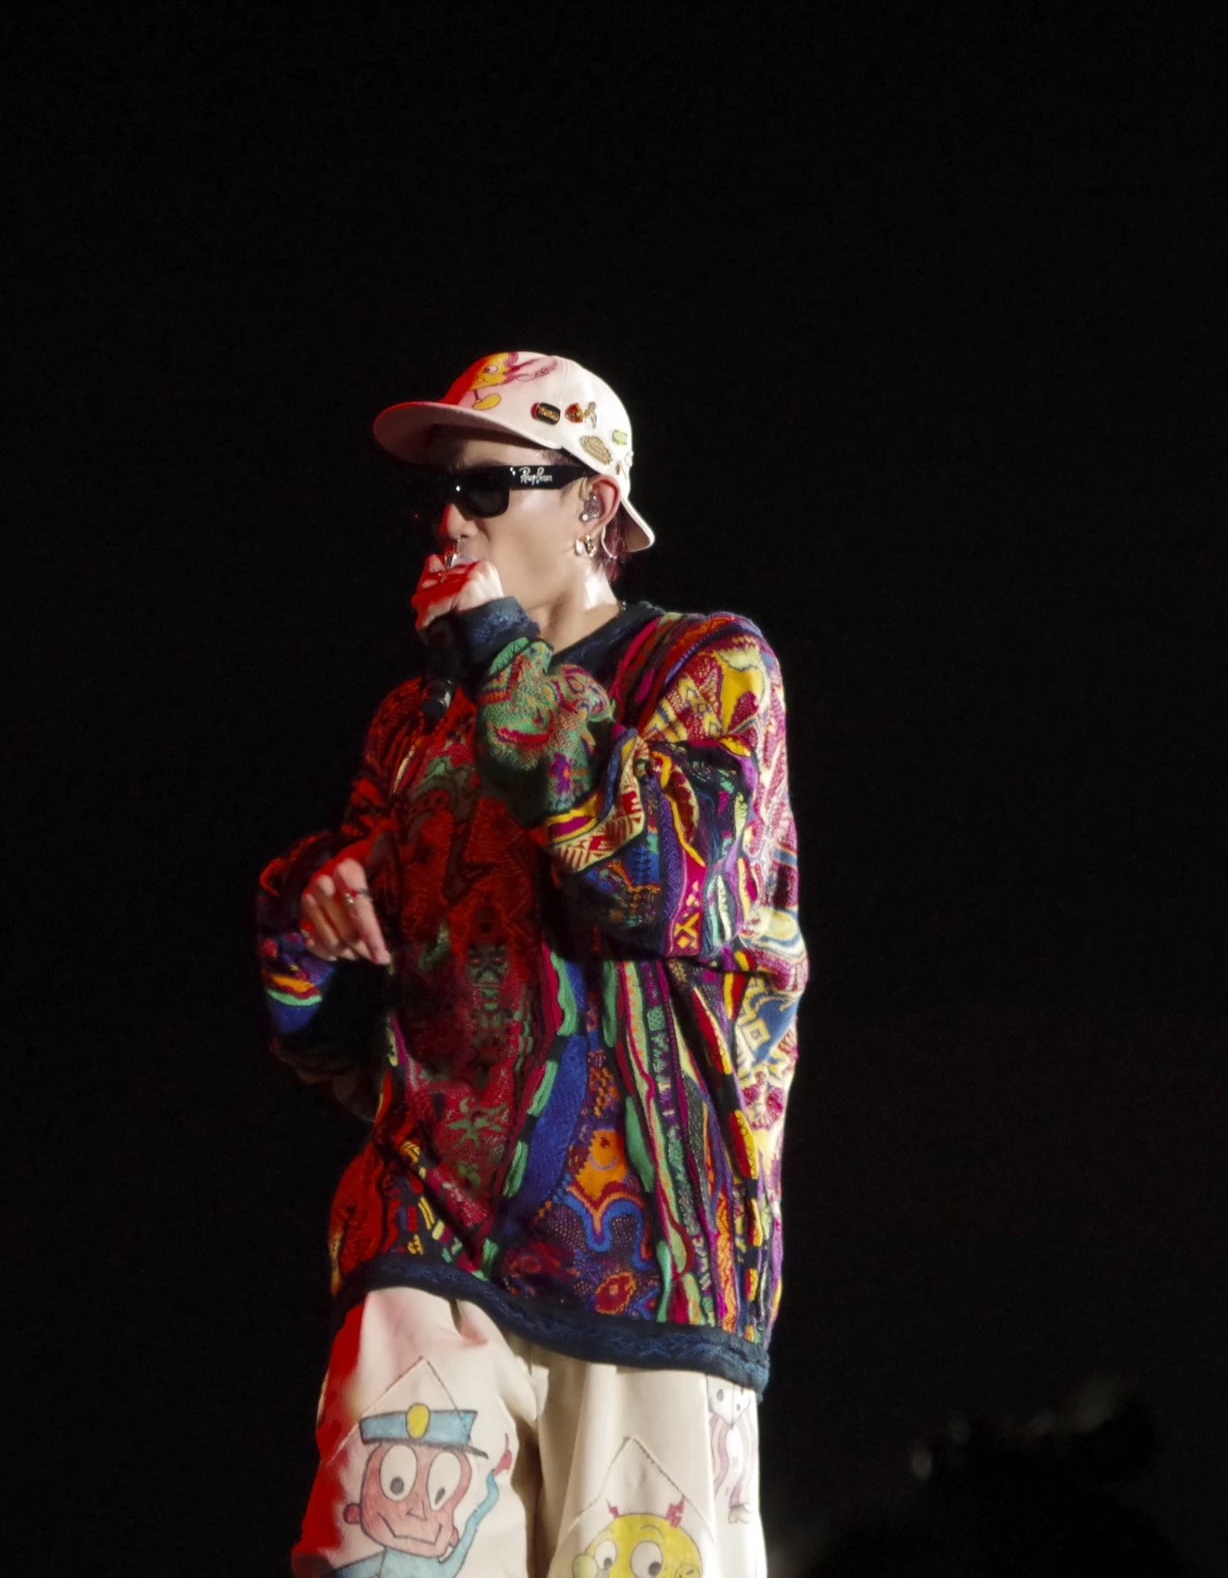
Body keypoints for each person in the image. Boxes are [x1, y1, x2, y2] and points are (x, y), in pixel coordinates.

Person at [258, 352, 804, 1578]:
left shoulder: (707, 667)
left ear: (595, 506)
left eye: (489, 488)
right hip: (428, 1229)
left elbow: (660, 883)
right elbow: (330, 1041)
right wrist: (323, 911)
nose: (451, 521)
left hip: (654, 1268)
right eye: (435, 496)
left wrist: (504, 655)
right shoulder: (414, 725)